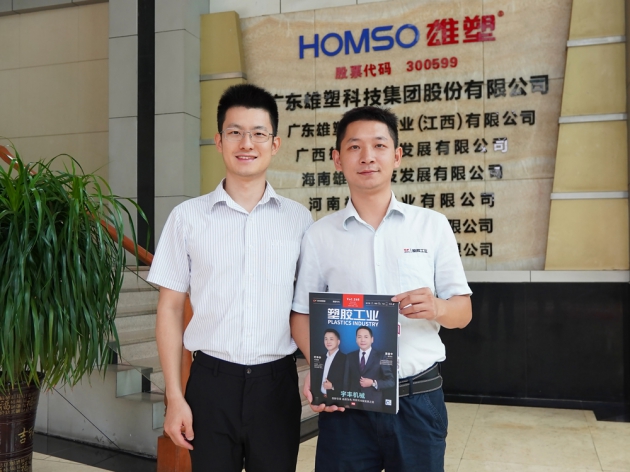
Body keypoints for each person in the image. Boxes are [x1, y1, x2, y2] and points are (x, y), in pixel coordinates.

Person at [290, 106, 472, 472]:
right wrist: (323, 368)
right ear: (337, 159)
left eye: (379, 145)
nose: (367, 157)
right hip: (347, 403)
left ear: (397, 155)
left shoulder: (431, 226)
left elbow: (462, 312)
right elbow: (301, 316)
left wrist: (437, 307)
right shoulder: (319, 235)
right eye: (354, 147)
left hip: (417, 399)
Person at [149, 83, 313, 472]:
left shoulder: (299, 220)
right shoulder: (187, 218)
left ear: (274, 144)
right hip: (210, 383)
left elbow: (306, 307)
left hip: (276, 384)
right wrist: (174, 396)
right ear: (219, 141)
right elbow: (169, 310)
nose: (246, 143)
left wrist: (320, 368)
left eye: (258, 133)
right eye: (235, 132)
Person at [343, 326, 394, 410]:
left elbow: (391, 381)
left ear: (372, 339)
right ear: (356, 339)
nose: (362, 340)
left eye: (366, 337)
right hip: (353, 402)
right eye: (359, 337)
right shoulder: (350, 356)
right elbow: (346, 381)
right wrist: (345, 402)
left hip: (373, 403)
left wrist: (373, 383)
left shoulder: (381, 356)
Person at [311, 329, 346, 405]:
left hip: (337, 400)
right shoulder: (320, 358)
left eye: (331, 339)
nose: (328, 342)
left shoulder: (345, 359)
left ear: (338, 342)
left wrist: (333, 386)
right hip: (320, 399)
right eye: (326, 339)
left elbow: (349, 381)